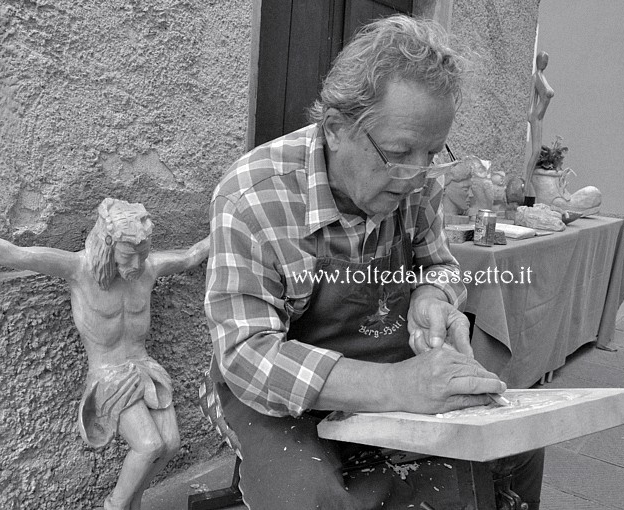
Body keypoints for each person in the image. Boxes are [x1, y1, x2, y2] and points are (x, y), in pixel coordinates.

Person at [205, 15, 544, 510]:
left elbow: (440, 266)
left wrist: (432, 296)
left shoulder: (418, 179)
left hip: (385, 361)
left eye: (431, 152)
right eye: (398, 152)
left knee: (514, 447)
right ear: (337, 128)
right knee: (307, 498)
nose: (415, 175)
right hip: (274, 394)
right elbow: (247, 356)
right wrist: (396, 386)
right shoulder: (252, 197)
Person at [0, 196, 209, 510]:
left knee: (171, 445)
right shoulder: (79, 269)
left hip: (144, 367)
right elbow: (16, 255)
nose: (136, 266)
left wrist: (233, 223)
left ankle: (134, 501)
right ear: (108, 245)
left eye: (142, 255)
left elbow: (191, 256)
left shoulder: (148, 269)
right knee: (149, 446)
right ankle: (114, 506)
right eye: (128, 256)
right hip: (108, 375)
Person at [523, 51, 555, 204]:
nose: (545, 63)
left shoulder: (543, 77)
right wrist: (529, 115)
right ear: (538, 61)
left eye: (547, 61)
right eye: (543, 60)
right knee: (535, 152)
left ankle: (529, 186)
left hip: (540, 117)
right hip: (536, 116)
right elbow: (532, 98)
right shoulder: (535, 77)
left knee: (537, 152)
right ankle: (526, 185)